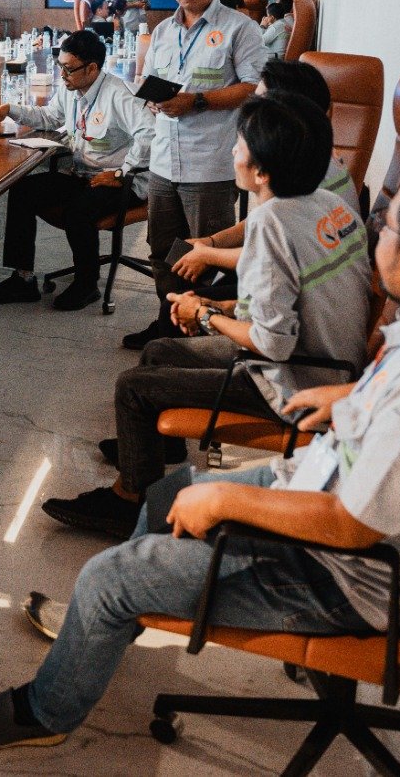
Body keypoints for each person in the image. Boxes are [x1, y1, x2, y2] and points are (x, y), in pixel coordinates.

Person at [0, 154, 400, 751]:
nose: (375, 229)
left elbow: (352, 525)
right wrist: (353, 396)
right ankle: (105, 626)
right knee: (167, 495)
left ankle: (48, 711)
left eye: (389, 225)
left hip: (336, 578)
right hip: (326, 490)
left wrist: (226, 498)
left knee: (108, 576)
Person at [40, 91, 371, 536]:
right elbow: (291, 300)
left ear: (262, 170)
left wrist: (204, 316)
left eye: (240, 144)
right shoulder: (329, 204)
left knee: (133, 387)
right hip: (332, 363)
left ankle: (129, 501)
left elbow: (272, 343)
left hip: (296, 382)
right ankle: (160, 451)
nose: (232, 151)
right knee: (158, 351)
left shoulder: (272, 224)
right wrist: (220, 305)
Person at [122, 0, 265, 350]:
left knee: (208, 257)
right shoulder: (163, 31)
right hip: (163, 161)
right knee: (162, 252)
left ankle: (204, 338)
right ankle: (168, 324)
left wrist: (197, 100)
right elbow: (149, 80)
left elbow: (253, 87)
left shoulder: (240, 28)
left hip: (210, 163)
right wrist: (153, 99)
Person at [0, 29, 155, 312]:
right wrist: (10, 109)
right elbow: (49, 116)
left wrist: (121, 174)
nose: (62, 75)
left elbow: (150, 133)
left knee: (78, 210)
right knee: (22, 189)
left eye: (69, 69)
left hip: (123, 182)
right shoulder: (72, 89)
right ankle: (23, 279)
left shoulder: (119, 94)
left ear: (92, 68)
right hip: (85, 175)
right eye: (60, 66)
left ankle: (87, 284)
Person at [162, 59, 360, 297]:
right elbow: (264, 226)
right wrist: (212, 242)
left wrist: (208, 256)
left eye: (260, 103)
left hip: (308, 286)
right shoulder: (310, 153)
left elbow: (273, 259)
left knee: (187, 293)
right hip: (294, 271)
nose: (252, 112)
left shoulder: (305, 171)